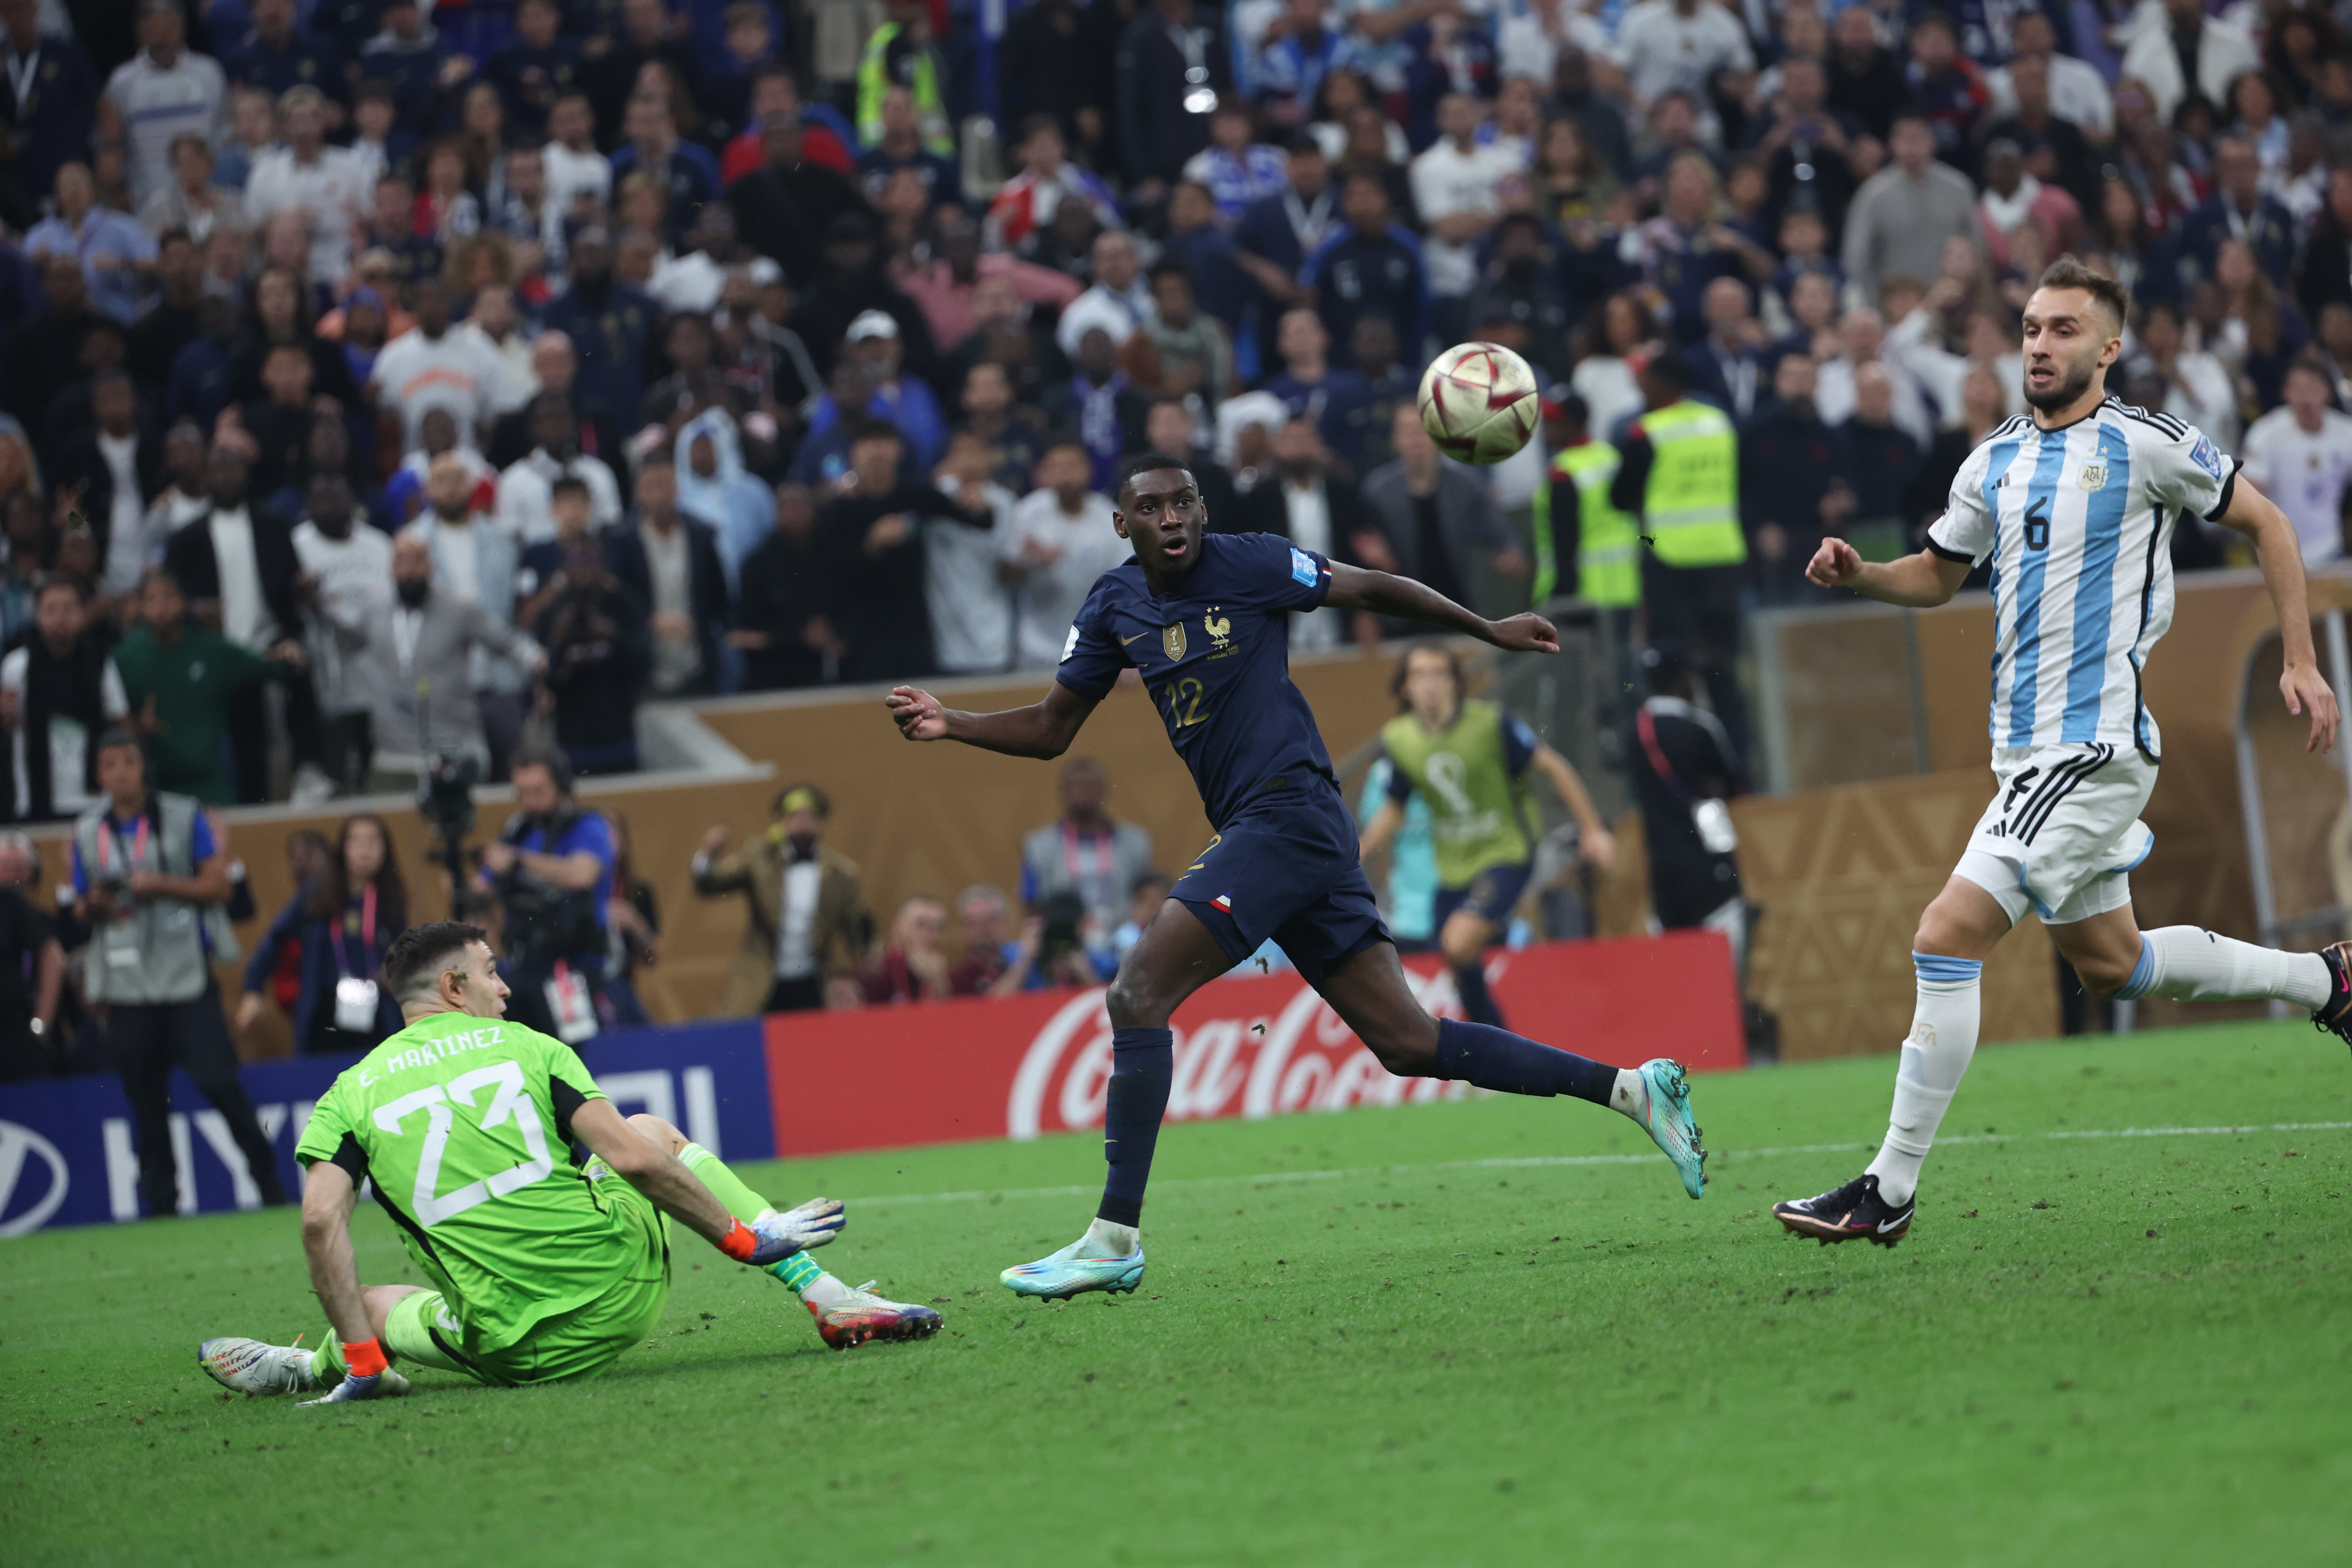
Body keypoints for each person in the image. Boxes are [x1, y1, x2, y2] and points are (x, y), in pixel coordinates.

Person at [885, 450, 1708, 1300]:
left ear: (1202, 511)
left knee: (1136, 993)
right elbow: (1056, 726)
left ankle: (1113, 1238)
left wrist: (1485, 628)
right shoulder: (1112, 604)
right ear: (1122, 524)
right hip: (1286, 831)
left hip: (1288, 813)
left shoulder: (1251, 561)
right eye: (1151, 507)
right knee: (1408, 1041)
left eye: (1184, 502)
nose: (1171, 518)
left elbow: (1376, 587)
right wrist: (955, 723)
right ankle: (1633, 1088)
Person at [1775, 259, 2352, 1249]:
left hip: (2090, 749)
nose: (2040, 345)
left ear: (2107, 348)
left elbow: (2266, 522)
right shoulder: (1990, 459)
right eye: (2033, 328)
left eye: (2063, 331)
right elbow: (1935, 574)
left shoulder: (2145, 443)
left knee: (1943, 934)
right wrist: (1861, 572)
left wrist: (2299, 657)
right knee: (2112, 962)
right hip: (2026, 755)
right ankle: (2327, 981)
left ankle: (1888, 1189)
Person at [196, 921, 940, 1404]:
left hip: (512, 1352)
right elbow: (635, 1162)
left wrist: (364, 1354)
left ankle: (326, 1366)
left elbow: (320, 1220)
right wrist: (751, 1238)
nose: (506, 986)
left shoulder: (347, 1095)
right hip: (621, 1294)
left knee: (377, 1302)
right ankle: (828, 1296)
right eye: (492, 972)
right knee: (647, 1127)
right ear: (455, 987)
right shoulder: (529, 1045)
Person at [74, 727, 284, 1216]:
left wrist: (161, 885)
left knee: (220, 1084)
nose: (121, 772)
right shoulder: (88, 831)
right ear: (98, 774)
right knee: (145, 1103)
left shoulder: (183, 814)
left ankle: (270, 1187)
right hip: (128, 987)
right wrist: (95, 904)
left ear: (143, 766)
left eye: (128, 761)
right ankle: (163, 1207)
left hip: (186, 979)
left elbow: (219, 889)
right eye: (110, 765)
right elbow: (79, 908)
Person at [1359, 644, 1614, 1029]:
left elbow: (1554, 766)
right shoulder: (1400, 739)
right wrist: (1356, 855)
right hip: (1453, 868)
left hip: (1506, 851)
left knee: (1458, 941)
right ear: (1405, 687)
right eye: (1419, 675)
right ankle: (1496, 1042)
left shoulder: (1490, 724)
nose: (1429, 684)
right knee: (1455, 959)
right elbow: (1396, 805)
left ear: (1456, 683)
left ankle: (1509, 941)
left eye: (1439, 674)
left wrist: (1593, 829)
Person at [1608, 353, 1750, 766]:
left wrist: (1649, 526)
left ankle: (1681, 769)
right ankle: (1738, 767)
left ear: (1664, 383)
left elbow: (1619, 497)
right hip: (1723, 558)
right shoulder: (1719, 423)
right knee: (1724, 675)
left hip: (1670, 561)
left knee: (1672, 674)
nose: (1641, 390)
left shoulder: (1646, 432)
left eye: (1646, 381)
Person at [108, 566, 303, 805]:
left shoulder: (211, 649)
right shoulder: (124, 659)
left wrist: (289, 654)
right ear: (140, 605)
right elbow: (113, 720)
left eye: (168, 597)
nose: (161, 607)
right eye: (151, 599)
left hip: (211, 780)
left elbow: (267, 665)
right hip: (155, 783)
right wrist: (139, 730)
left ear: (183, 601)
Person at [237, 812, 408, 1054]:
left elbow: (403, 950)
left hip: (377, 1008)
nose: (365, 850)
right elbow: (275, 938)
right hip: (325, 1008)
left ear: (386, 849)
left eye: (373, 842)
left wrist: (395, 971)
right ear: (343, 848)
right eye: (356, 841)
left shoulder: (390, 897)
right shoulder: (318, 893)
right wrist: (253, 989)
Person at [693, 783, 870, 1016]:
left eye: (810, 816)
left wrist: (860, 968)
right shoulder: (759, 859)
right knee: (742, 1039)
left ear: (821, 823)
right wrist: (708, 855)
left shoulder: (842, 874)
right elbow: (710, 885)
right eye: (795, 816)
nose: (803, 822)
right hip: (761, 977)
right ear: (782, 823)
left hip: (813, 980)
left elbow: (855, 931)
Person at [477, 749, 615, 1046]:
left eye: (538, 792)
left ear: (562, 787)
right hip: (524, 964)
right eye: (522, 794)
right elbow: (483, 886)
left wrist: (520, 861)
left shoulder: (588, 826)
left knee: (571, 1059)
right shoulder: (517, 829)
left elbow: (582, 874)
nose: (529, 803)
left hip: (574, 966)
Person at [0, 576, 130, 823]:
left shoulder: (102, 664)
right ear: (38, 617)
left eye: (69, 609)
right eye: (51, 610)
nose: (60, 618)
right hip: (35, 794)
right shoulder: (17, 667)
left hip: (93, 796)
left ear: (82, 614)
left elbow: (120, 722)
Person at [1019, 758, 1157, 941]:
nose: (1082, 791)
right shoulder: (1037, 846)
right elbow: (1031, 903)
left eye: (1089, 785)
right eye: (1075, 786)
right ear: (1062, 791)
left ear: (1104, 790)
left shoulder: (1136, 842)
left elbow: (1146, 899)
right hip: (1064, 944)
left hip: (1124, 943)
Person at [2239, 361, 2352, 566]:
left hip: (2331, 550)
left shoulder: (2346, 433)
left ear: (2327, 392)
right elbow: (2250, 496)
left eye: (2312, 388)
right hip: (2278, 552)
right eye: (2297, 388)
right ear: (2286, 393)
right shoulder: (2266, 434)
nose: (2305, 397)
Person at [0, 828, 63, 1081]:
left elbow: (54, 958)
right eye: (6, 867)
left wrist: (40, 1026)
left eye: (20, 867)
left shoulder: (14, 906)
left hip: (13, 1031)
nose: (13, 876)